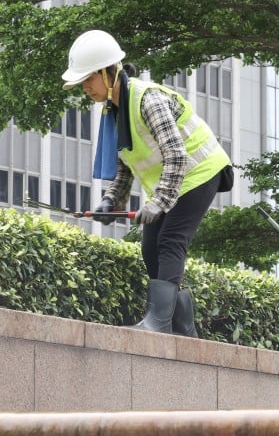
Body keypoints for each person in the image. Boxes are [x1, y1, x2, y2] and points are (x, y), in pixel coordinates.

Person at [62, 30, 233, 336]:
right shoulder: (113, 111)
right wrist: (109, 201)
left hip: (200, 171)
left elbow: (177, 156)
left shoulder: (148, 99)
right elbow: (125, 164)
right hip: (173, 182)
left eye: (88, 78)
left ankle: (159, 322)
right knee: (149, 247)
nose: (85, 87)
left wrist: (157, 203)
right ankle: (182, 328)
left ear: (107, 72)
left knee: (170, 241)